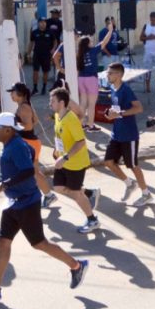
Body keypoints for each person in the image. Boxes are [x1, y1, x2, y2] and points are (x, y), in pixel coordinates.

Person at [0, 113, 89, 300]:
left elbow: (27, 171)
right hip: (13, 203)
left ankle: (77, 266)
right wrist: (5, 184)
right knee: (3, 242)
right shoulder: (14, 143)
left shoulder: (16, 146)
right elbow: (31, 155)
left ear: (7, 130)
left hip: (26, 203)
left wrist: (4, 185)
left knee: (40, 243)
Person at [49, 88, 100, 233]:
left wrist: (65, 157)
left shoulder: (71, 120)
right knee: (58, 188)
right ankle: (89, 193)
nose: (50, 104)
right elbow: (59, 135)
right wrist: (56, 150)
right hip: (63, 160)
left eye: (53, 101)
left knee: (75, 193)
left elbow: (80, 142)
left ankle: (92, 220)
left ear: (62, 103)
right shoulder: (58, 115)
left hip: (75, 163)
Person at [103, 63, 154, 207]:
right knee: (108, 162)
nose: (107, 75)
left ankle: (146, 194)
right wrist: (109, 114)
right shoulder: (112, 88)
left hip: (129, 135)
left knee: (132, 165)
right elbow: (116, 108)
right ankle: (129, 184)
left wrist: (119, 113)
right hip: (116, 134)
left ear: (119, 75)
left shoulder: (126, 90)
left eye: (110, 73)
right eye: (107, 73)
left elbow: (138, 108)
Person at [9, 82, 59, 207]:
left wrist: (12, 125)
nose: (11, 95)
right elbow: (35, 120)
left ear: (20, 94)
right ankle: (45, 195)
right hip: (30, 142)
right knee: (31, 172)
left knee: (32, 173)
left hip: (29, 143)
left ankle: (47, 195)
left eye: (12, 92)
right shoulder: (26, 105)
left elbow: (29, 126)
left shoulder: (24, 107)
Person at [77, 20, 115, 133]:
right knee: (91, 104)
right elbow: (105, 41)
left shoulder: (79, 54)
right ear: (87, 44)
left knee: (83, 103)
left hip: (81, 79)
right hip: (91, 79)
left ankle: (81, 124)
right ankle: (90, 125)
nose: (92, 42)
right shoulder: (93, 51)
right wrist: (110, 30)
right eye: (90, 41)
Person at [27, 18, 57, 95]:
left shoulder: (50, 32)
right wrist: (28, 54)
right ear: (38, 23)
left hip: (46, 55)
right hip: (37, 54)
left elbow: (55, 41)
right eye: (41, 22)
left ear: (46, 23)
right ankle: (35, 88)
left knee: (45, 72)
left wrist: (53, 49)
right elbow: (31, 43)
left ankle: (44, 87)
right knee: (35, 71)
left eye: (44, 22)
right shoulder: (34, 32)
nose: (42, 24)